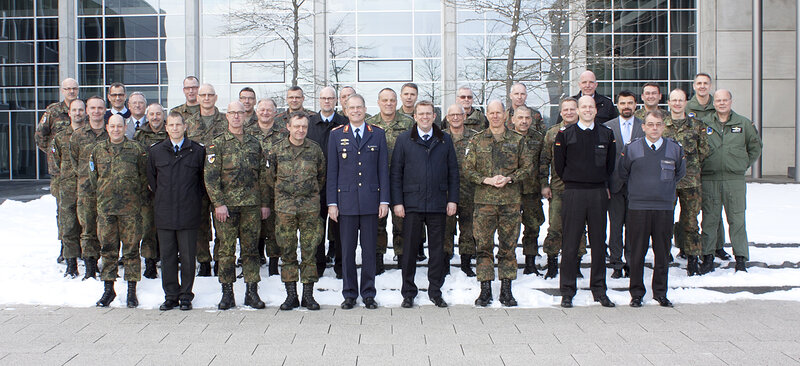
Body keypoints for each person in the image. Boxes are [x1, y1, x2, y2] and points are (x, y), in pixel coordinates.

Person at [464, 100, 533, 307]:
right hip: (484, 202)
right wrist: (486, 180)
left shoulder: (517, 140)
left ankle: (506, 289)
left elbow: (528, 167)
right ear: (487, 115)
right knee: (483, 246)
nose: (495, 116)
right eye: (491, 113)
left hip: (509, 202)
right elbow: (468, 169)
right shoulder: (477, 141)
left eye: (498, 112)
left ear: (505, 115)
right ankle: (485, 289)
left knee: (508, 246)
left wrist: (509, 178)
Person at [391, 100, 459, 308]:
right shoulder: (403, 140)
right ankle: (408, 292)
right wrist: (398, 202)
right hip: (411, 204)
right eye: (421, 114)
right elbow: (396, 174)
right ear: (415, 116)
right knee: (409, 251)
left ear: (435, 116)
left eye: (428, 114)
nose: (425, 117)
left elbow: (453, 173)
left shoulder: (445, 140)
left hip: (438, 203)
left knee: (437, 251)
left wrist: (452, 199)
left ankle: (435, 291)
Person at [326, 94, 389, 310]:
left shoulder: (377, 134)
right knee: (348, 251)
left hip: (371, 202)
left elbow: (383, 170)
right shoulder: (336, 136)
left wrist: (384, 200)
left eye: (359, 107)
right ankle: (350, 294)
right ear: (345, 110)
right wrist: (332, 203)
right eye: (351, 108)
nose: (355, 111)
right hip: (346, 203)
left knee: (370, 250)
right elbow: (332, 172)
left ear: (365, 108)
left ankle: (369, 293)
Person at [204, 101, 269, 310]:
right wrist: (219, 203)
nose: (236, 116)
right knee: (226, 251)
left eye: (240, 113)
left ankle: (251, 292)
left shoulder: (254, 142)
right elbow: (211, 177)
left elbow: (263, 176)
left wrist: (264, 203)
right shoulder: (217, 144)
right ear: (227, 116)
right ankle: (227, 294)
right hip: (227, 208)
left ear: (246, 116)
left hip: (251, 206)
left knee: (251, 250)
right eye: (232, 112)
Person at [617, 109, 685, 308]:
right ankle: (636, 293)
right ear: (643, 127)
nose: (654, 128)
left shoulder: (674, 148)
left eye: (658, 124)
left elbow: (679, 173)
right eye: (650, 124)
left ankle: (660, 293)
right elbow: (623, 172)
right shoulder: (632, 148)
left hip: (663, 207)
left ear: (663, 127)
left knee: (662, 252)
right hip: (638, 207)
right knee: (636, 252)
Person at [554, 95, 616, 308]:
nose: (588, 110)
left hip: (598, 193)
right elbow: (560, 167)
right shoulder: (565, 134)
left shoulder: (607, 134)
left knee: (599, 244)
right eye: (584, 106)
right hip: (574, 193)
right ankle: (567, 291)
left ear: (596, 110)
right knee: (570, 244)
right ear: (578, 110)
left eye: (591, 106)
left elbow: (610, 165)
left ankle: (599, 289)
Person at [147, 111, 206, 311]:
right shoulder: (156, 152)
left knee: (188, 258)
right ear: (166, 128)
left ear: (185, 126)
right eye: (171, 125)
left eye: (178, 125)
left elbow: (202, 182)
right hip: (164, 213)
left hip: (188, 212)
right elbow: (152, 182)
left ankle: (186, 296)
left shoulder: (197, 151)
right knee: (168, 257)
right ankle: (171, 295)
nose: (175, 128)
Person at [266, 112, 326, 311]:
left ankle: (308, 296)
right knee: (288, 252)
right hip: (285, 210)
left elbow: (321, 176)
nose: (301, 130)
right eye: (297, 126)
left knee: (310, 252)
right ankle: (291, 295)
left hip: (309, 209)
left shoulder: (315, 150)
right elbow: (270, 177)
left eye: (304, 127)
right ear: (288, 127)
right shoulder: (276, 150)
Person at [700, 90, 762, 273]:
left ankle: (741, 258)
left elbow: (755, 147)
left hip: (734, 179)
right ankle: (708, 257)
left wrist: (743, 164)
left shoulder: (743, 123)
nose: (721, 103)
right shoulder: (704, 124)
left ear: (731, 101)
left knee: (736, 219)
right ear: (714, 103)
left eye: (724, 100)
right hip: (709, 178)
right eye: (718, 100)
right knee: (709, 219)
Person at [91, 115, 148, 308]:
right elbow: (94, 179)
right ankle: (108, 289)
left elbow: (143, 178)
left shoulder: (136, 150)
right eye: (112, 126)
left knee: (131, 250)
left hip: (130, 210)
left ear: (125, 127)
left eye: (119, 126)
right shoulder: (98, 150)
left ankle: (132, 290)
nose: (116, 129)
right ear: (107, 128)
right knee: (108, 250)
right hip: (106, 210)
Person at [365, 88, 415, 272]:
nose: (388, 103)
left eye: (392, 100)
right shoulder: (369, 124)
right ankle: (378, 257)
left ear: (397, 102)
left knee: (401, 221)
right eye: (385, 100)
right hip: (375, 181)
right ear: (378, 102)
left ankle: (402, 256)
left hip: (402, 181)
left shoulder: (408, 123)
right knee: (377, 222)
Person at [538, 98, 587, 280]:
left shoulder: (586, 131)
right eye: (565, 109)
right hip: (559, 188)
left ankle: (576, 264)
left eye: (572, 109)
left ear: (578, 110)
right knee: (555, 227)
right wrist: (544, 184)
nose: (568, 112)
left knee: (579, 228)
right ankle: (552, 263)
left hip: (582, 189)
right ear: (561, 112)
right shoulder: (552, 133)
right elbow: (544, 161)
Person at [663, 88, 709, 275]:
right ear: (668, 102)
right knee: (665, 221)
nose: (677, 103)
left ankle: (692, 258)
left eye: (680, 100)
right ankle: (664, 255)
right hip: (667, 182)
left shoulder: (697, 126)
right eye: (674, 100)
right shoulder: (662, 126)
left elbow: (704, 151)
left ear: (685, 102)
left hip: (691, 183)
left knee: (690, 222)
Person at [185, 83, 228, 276]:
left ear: (216, 97)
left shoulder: (226, 121)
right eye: (203, 95)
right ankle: (203, 260)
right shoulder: (190, 122)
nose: (207, 98)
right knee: (200, 222)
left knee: (222, 223)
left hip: (222, 180)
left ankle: (220, 259)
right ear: (198, 98)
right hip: (196, 181)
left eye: (210, 94)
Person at [36, 77, 79, 263]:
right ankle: (65, 247)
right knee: (63, 211)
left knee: (81, 210)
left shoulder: (81, 109)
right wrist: (55, 155)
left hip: (80, 172)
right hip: (60, 173)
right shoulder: (53, 111)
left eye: (74, 88)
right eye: (67, 88)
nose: (71, 92)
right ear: (62, 90)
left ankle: (82, 248)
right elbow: (40, 136)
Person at [688, 73, 730, 260]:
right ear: (694, 86)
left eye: (706, 83)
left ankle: (717, 246)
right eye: (699, 83)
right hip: (692, 168)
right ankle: (686, 246)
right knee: (690, 211)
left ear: (710, 85)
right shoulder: (688, 107)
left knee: (714, 209)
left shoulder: (718, 105)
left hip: (713, 165)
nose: (702, 86)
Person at [307, 87, 348, 278]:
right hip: (315, 186)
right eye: (323, 98)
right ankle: (318, 266)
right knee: (317, 229)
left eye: (331, 98)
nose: (327, 101)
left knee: (341, 229)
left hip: (340, 184)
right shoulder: (309, 124)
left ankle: (341, 267)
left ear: (336, 101)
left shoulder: (344, 123)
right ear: (319, 100)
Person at [604, 90, 644, 279]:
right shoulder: (607, 127)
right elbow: (602, 159)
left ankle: (631, 262)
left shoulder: (644, 126)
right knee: (616, 225)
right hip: (615, 184)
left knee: (634, 226)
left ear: (636, 105)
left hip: (637, 185)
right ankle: (616, 263)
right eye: (622, 103)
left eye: (630, 103)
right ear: (617, 105)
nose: (626, 106)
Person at [70, 96, 109, 280]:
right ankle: (90, 266)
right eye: (92, 108)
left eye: (100, 108)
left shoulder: (111, 132)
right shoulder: (78, 136)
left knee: (107, 229)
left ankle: (108, 264)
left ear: (105, 110)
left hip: (107, 192)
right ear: (87, 110)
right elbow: (74, 161)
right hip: (86, 191)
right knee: (87, 230)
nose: (96, 111)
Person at [249, 98, 285, 276]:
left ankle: (273, 264)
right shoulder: (247, 133)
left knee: (274, 229)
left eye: (269, 110)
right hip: (251, 191)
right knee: (252, 230)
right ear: (256, 112)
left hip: (275, 190)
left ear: (275, 112)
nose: (265, 113)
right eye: (261, 109)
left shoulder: (284, 133)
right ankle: (253, 264)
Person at [134, 103, 169, 279]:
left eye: (158, 114)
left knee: (167, 225)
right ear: (147, 116)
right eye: (152, 114)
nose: (155, 117)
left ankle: (166, 257)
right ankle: (149, 261)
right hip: (146, 189)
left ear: (163, 115)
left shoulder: (171, 132)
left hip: (168, 189)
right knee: (147, 226)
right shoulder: (139, 135)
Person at [52, 99, 86, 277]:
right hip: (68, 188)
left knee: (88, 226)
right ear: (69, 113)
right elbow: (55, 161)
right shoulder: (60, 136)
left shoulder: (91, 135)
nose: (78, 113)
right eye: (75, 110)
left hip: (87, 187)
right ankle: (71, 263)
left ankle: (90, 261)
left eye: (81, 110)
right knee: (68, 226)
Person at [443, 104, 478, 277]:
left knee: (468, 228)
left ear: (465, 117)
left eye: (459, 114)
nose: (456, 117)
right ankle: (445, 262)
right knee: (445, 229)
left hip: (469, 190)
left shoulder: (475, 138)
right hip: (446, 191)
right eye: (452, 115)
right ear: (447, 118)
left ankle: (466, 262)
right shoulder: (440, 137)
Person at [512, 105, 546, 275]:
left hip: (532, 190)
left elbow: (543, 163)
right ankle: (508, 262)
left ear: (531, 120)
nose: (524, 121)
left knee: (532, 227)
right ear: (513, 120)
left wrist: (544, 185)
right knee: (509, 228)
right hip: (511, 191)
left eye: (527, 118)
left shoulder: (538, 138)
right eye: (520, 118)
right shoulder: (506, 136)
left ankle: (530, 262)